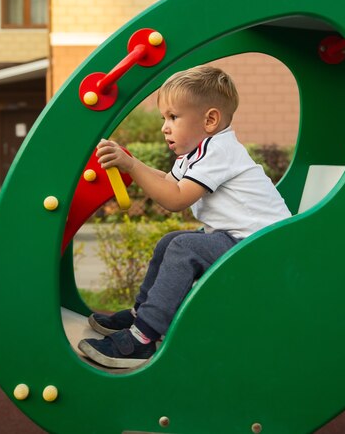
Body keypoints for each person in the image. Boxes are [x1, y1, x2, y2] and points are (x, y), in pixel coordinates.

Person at [78, 65, 291, 369]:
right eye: (164, 118)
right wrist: (131, 163)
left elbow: (175, 199)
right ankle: (142, 314)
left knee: (184, 248)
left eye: (173, 117)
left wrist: (131, 166)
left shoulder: (220, 151)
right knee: (172, 241)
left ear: (210, 120)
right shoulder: (198, 151)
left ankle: (143, 339)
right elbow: (169, 181)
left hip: (262, 247)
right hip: (241, 240)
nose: (165, 127)